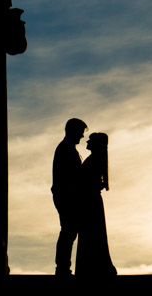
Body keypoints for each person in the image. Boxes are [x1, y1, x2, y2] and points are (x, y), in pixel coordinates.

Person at [75, 132, 117, 277]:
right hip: (91, 200)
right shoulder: (95, 159)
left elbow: (87, 181)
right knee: (92, 234)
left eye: (90, 140)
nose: (87, 142)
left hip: (90, 201)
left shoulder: (94, 160)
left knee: (91, 235)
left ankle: (91, 268)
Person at [52, 118, 87, 276]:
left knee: (69, 231)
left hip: (66, 195)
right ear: (73, 131)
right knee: (68, 230)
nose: (82, 136)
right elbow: (72, 174)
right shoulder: (65, 149)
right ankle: (62, 268)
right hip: (67, 196)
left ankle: (63, 267)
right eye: (80, 132)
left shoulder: (67, 148)